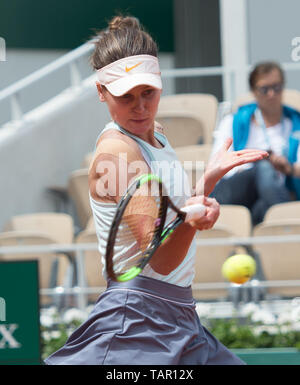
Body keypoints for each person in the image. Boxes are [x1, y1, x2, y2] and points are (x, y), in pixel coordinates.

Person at [44, 16, 267, 365]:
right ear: (101, 92)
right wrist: (194, 220)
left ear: (160, 82)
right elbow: (161, 259)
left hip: (177, 315)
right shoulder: (118, 154)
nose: (141, 107)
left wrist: (208, 179)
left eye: (148, 92)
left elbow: (175, 213)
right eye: (126, 96)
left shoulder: (157, 133)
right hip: (136, 322)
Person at [210, 61, 300, 226]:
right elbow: (216, 166)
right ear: (254, 91)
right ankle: (288, 223)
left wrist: (288, 168)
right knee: (263, 168)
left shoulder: (295, 124)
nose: (272, 94)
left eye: (277, 87)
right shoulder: (233, 121)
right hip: (235, 188)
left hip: (272, 192)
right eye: (265, 89)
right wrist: (250, 163)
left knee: (262, 206)